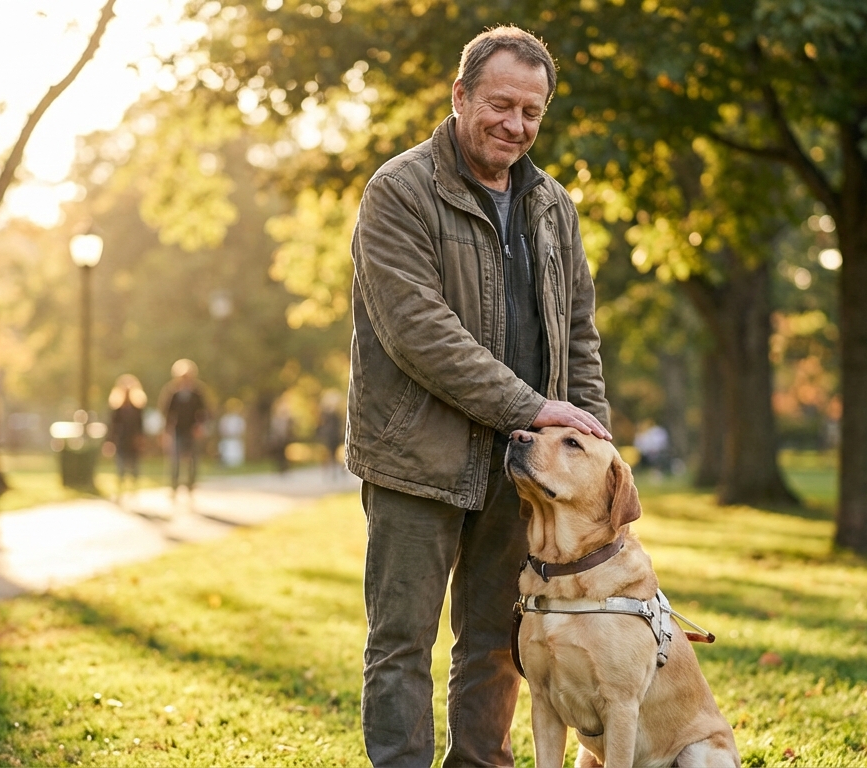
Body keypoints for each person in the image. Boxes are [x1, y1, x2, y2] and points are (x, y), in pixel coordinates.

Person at [346, 26, 611, 767]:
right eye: (500, 104)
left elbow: (580, 335)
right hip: (414, 458)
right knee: (402, 642)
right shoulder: (399, 191)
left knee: (496, 643)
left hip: (522, 469)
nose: (515, 125)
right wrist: (532, 408)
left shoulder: (555, 207)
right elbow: (418, 332)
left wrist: (594, 455)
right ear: (460, 95)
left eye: (533, 111)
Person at [158, 359, 208, 496]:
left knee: (193, 460)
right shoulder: (172, 392)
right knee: (175, 460)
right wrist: (167, 429)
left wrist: (199, 426)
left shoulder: (197, 392)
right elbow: (166, 411)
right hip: (177, 430)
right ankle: (174, 486)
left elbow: (204, 411)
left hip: (192, 431)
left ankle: (191, 485)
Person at [106, 374, 147, 499]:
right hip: (121, 441)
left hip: (133, 441)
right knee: (121, 467)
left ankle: (134, 490)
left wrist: (141, 440)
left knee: (134, 467)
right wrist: (109, 442)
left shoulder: (137, 409)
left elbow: (141, 426)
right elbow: (112, 427)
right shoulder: (117, 410)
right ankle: (121, 490)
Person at [316, 391, 344, 480]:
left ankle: (336, 472)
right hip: (327, 436)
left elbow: (339, 425)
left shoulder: (336, 413)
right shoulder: (325, 413)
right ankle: (327, 472)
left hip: (334, 437)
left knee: (334, 455)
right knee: (327, 455)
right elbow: (321, 424)